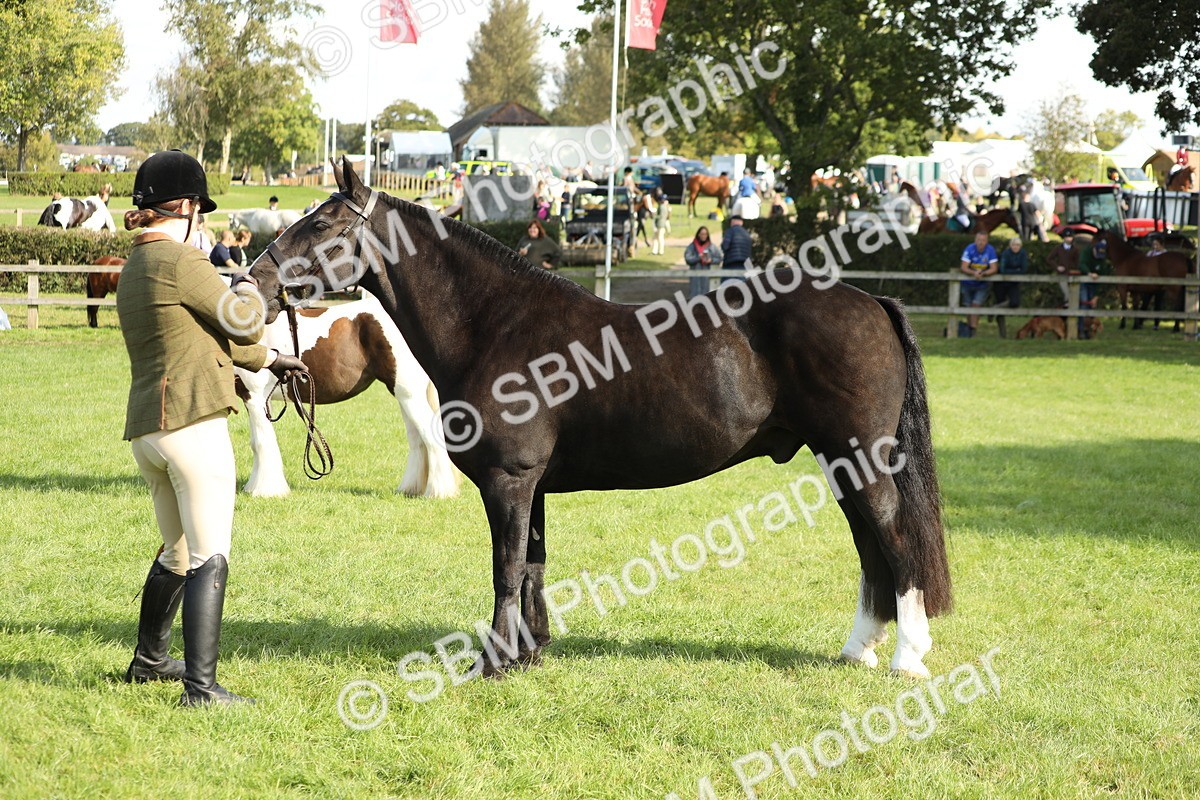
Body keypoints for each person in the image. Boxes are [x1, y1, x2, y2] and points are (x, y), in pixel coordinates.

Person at [116, 149, 307, 706]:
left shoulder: (138, 265)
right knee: (210, 555)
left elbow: (201, 338)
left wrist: (270, 362)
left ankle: (149, 660)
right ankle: (201, 689)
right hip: (193, 424)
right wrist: (249, 285)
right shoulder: (182, 262)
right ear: (190, 207)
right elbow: (242, 319)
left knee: (176, 550)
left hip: (150, 431)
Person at [958, 231, 998, 337]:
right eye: (979, 240)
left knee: (976, 305)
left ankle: (973, 330)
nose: (981, 242)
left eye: (983, 240)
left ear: (987, 241)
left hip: (982, 284)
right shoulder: (969, 249)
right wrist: (974, 273)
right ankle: (969, 329)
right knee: (968, 306)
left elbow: (994, 268)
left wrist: (983, 274)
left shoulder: (990, 250)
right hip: (968, 283)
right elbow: (964, 267)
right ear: (975, 240)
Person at [993, 237, 1029, 338]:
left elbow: (1024, 269)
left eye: (1017, 245)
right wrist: (1016, 271)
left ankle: (994, 308)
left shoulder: (1023, 254)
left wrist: (1014, 272)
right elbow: (1003, 270)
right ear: (1010, 245)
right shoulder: (1006, 253)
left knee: (1015, 302)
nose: (1015, 247)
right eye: (1013, 245)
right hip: (1001, 283)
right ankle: (1002, 334)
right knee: (1001, 307)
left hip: (1013, 283)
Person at [1077, 236, 1110, 339]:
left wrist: (1096, 295)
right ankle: (1081, 329)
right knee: (1083, 303)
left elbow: (1102, 277)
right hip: (1084, 281)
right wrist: (1089, 273)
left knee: (1092, 306)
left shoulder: (1103, 261)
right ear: (1094, 249)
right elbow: (1081, 264)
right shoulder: (1086, 252)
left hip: (1095, 284)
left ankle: (1089, 330)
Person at [684, 226, 722, 297]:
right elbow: (688, 259)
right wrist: (698, 257)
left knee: (707, 298)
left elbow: (719, 258)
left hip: (707, 278)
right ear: (698, 234)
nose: (704, 236)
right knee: (694, 298)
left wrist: (711, 260)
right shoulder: (692, 246)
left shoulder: (711, 247)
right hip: (695, 277)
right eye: (702, 234)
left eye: (705, 234)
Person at [1048, 230, 1081, 305]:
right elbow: (1049, 258)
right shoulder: (1058, 248)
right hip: (1062, 274)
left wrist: (1076, 270)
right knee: (1066, 292)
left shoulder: (1075, 249)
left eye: (1070, 237)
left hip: (1073, 274)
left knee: (1073, 292)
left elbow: (1078, 262)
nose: (1068, 239)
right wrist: (1057, 267)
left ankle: (1070, 308)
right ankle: (1066, 305)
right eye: (1066, 237)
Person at [720, 214, 752, 283]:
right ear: (741, 222)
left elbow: (725, 246)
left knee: (727, 286)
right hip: (744, 264)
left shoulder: (730, 231)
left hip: (731, 263)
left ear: (732, 222)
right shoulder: (746, 233)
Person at [652, 188, 670, 255]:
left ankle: (660, 250)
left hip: (660, 224)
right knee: (658, 238)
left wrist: (654, 216)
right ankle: (656, 250)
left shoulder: (661, 207)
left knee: (659, 238)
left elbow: (661, 216)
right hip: (662, 224)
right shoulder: (665, 206)